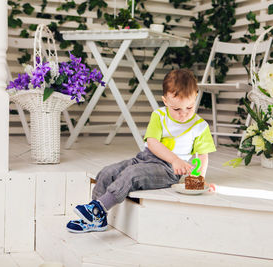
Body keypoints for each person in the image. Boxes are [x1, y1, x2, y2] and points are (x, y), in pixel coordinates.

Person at [66, 69, 216, 233]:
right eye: (177, 109)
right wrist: (175, 158)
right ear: (165, 101)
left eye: (189, 107)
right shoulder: (159, 116)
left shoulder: (200, 126)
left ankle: (99, 208)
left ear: (195, 96)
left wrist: (198, 180)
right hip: (144, 158)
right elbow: (152, 143)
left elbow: (202, 155)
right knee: (108, 172)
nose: (184, 114)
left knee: (133, 174)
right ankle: (96, 218)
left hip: (167, 170)